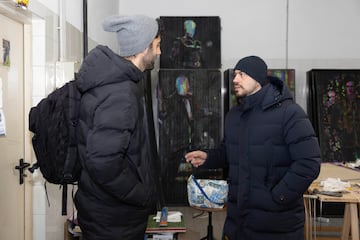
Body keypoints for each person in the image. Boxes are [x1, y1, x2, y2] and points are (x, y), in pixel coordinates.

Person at [185, 56, 321, 240]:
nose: (235, 79)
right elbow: (230, 153)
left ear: (257, 79)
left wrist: (279, 197)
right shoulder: (234, 115)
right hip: (239, 220)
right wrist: (208, 157)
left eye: (241, 74)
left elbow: (309, 163)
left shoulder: (290, 113)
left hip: (277, 224)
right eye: (234, 74)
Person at [73, 15, 162, 240]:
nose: (159, 52)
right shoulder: (120, 94)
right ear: (144, 47)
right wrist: (140, 194)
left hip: (106, 212)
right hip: (114, 220)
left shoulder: (118, 85)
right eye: (157, 45)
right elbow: (103, 162)